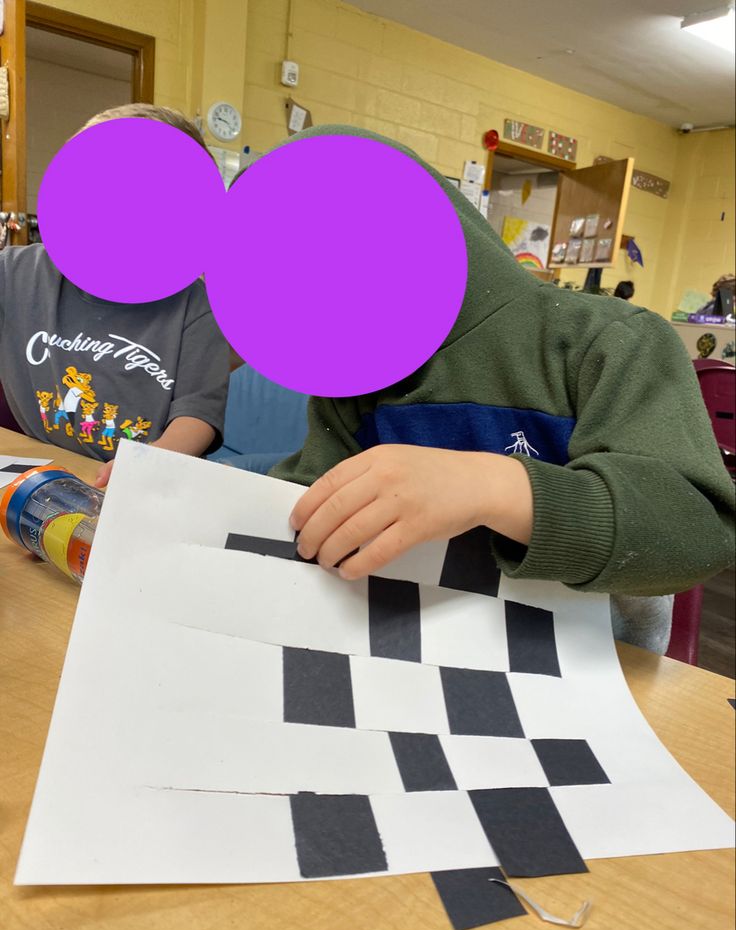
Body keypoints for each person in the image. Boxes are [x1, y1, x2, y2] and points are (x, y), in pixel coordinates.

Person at [273, 124, 735, 654]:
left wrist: (491, 488)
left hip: (594, 674)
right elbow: (305, 508)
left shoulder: (607, 342)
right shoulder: (353, 377)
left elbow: (698, 532)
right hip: (406, 652)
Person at [0, 103, 230, 488]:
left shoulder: (196, 307)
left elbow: (198, 414)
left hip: (139, 482)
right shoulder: (15, 272)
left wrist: (153, 461)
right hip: (34, 472)